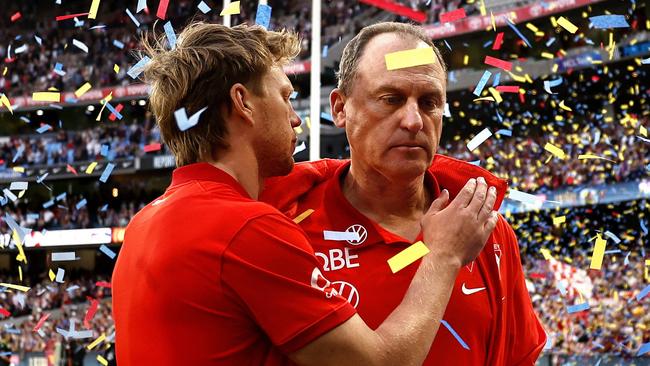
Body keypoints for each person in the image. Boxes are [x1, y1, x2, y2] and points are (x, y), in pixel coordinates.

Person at [111, 22, 500, 365]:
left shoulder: (146, 223)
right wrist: (444, 256)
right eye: (284, 97)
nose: (295, 117)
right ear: (243, 103)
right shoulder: (250, 227)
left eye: (430, 102)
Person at [261, 22, 547, 365]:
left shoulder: (486, 228)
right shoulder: (282, 226)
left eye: (429, 102)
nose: (413, 121)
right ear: (339, 108)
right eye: (391, 99)